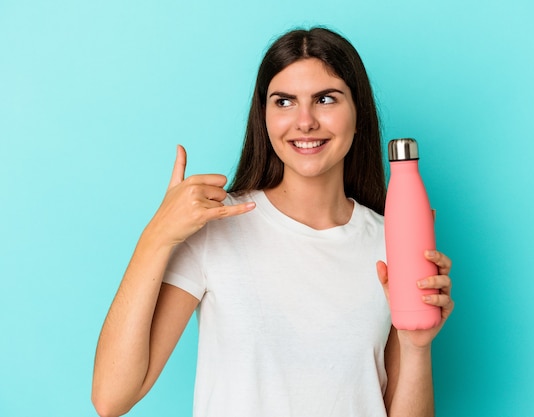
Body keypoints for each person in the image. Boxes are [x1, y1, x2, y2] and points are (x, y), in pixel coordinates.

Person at [92, 27, 454, 417]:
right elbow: (112, 397)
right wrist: (157, 236)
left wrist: (417, 347)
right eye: (283, 102)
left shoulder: (390, 241)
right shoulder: (217, 227)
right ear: (263, 116)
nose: (304, 121)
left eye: (325, 99)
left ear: (358, 112)